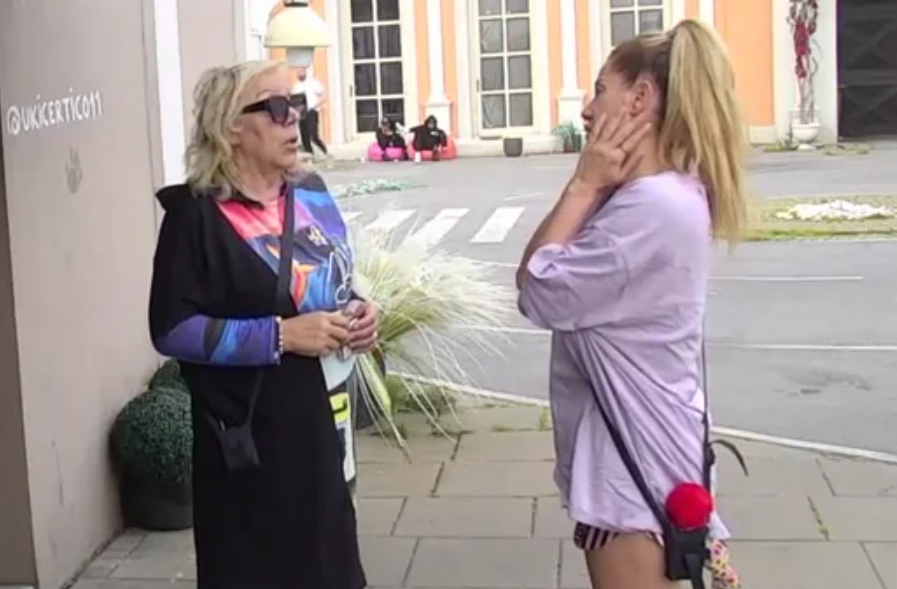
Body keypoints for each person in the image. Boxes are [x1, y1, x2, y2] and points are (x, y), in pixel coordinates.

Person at [516, 19, 747, 589]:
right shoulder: (660, 194)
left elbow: (537, 290)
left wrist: (581, 185)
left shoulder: (649, 209)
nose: (587, 110)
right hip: (645, 449)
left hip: (632, 470)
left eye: (600, 90)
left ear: (639, 98)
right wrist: (593, 187)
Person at [148, 60, 378, 589]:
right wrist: (279, 336)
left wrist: (361, 310)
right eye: (276, 108)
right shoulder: (195, 217)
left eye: (296, 105)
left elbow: (333, 283)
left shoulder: (311, 193)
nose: (293, 118)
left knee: (331, 568)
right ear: (230, 126)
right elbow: (171, 328)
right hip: (247, 442)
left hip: (320, 431)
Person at [293, 65, 329, 158]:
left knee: (313, 135)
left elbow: (324, 95)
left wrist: (316, 105)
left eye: (301, 71)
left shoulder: (313, 83)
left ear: (305, 72)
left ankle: (325, 152)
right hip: (301, 113)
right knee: (304, 136)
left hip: (312, 111)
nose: (300, 74)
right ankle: (310, 155)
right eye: (298, 72)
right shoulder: (296, 86)